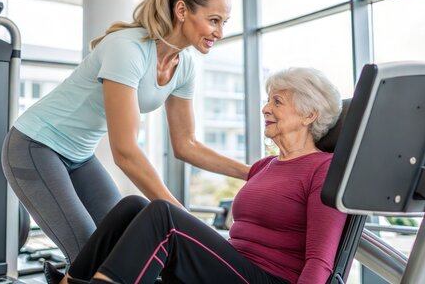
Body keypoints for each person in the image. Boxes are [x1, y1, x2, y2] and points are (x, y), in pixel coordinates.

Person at [1, 0, 250, 265]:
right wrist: (178, 212)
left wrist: (252, 172)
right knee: (88, 252)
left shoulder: (184, 66)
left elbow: (187, 145)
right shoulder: (128, 48)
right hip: (34, 146)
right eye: (214, 20)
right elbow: (126, 151)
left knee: (121, 244)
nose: (220, 32)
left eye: (224, 22)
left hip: (79, 157)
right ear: (182, 10)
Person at [46, 67, 348, 284]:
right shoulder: (265, 166)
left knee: (165, 217)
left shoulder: (324, 169)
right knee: (133, 206)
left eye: (277, 101)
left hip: (269, 277)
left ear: (310, 115)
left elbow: (320, 259)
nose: (265, 108)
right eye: (268, 100)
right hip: (234, 264)